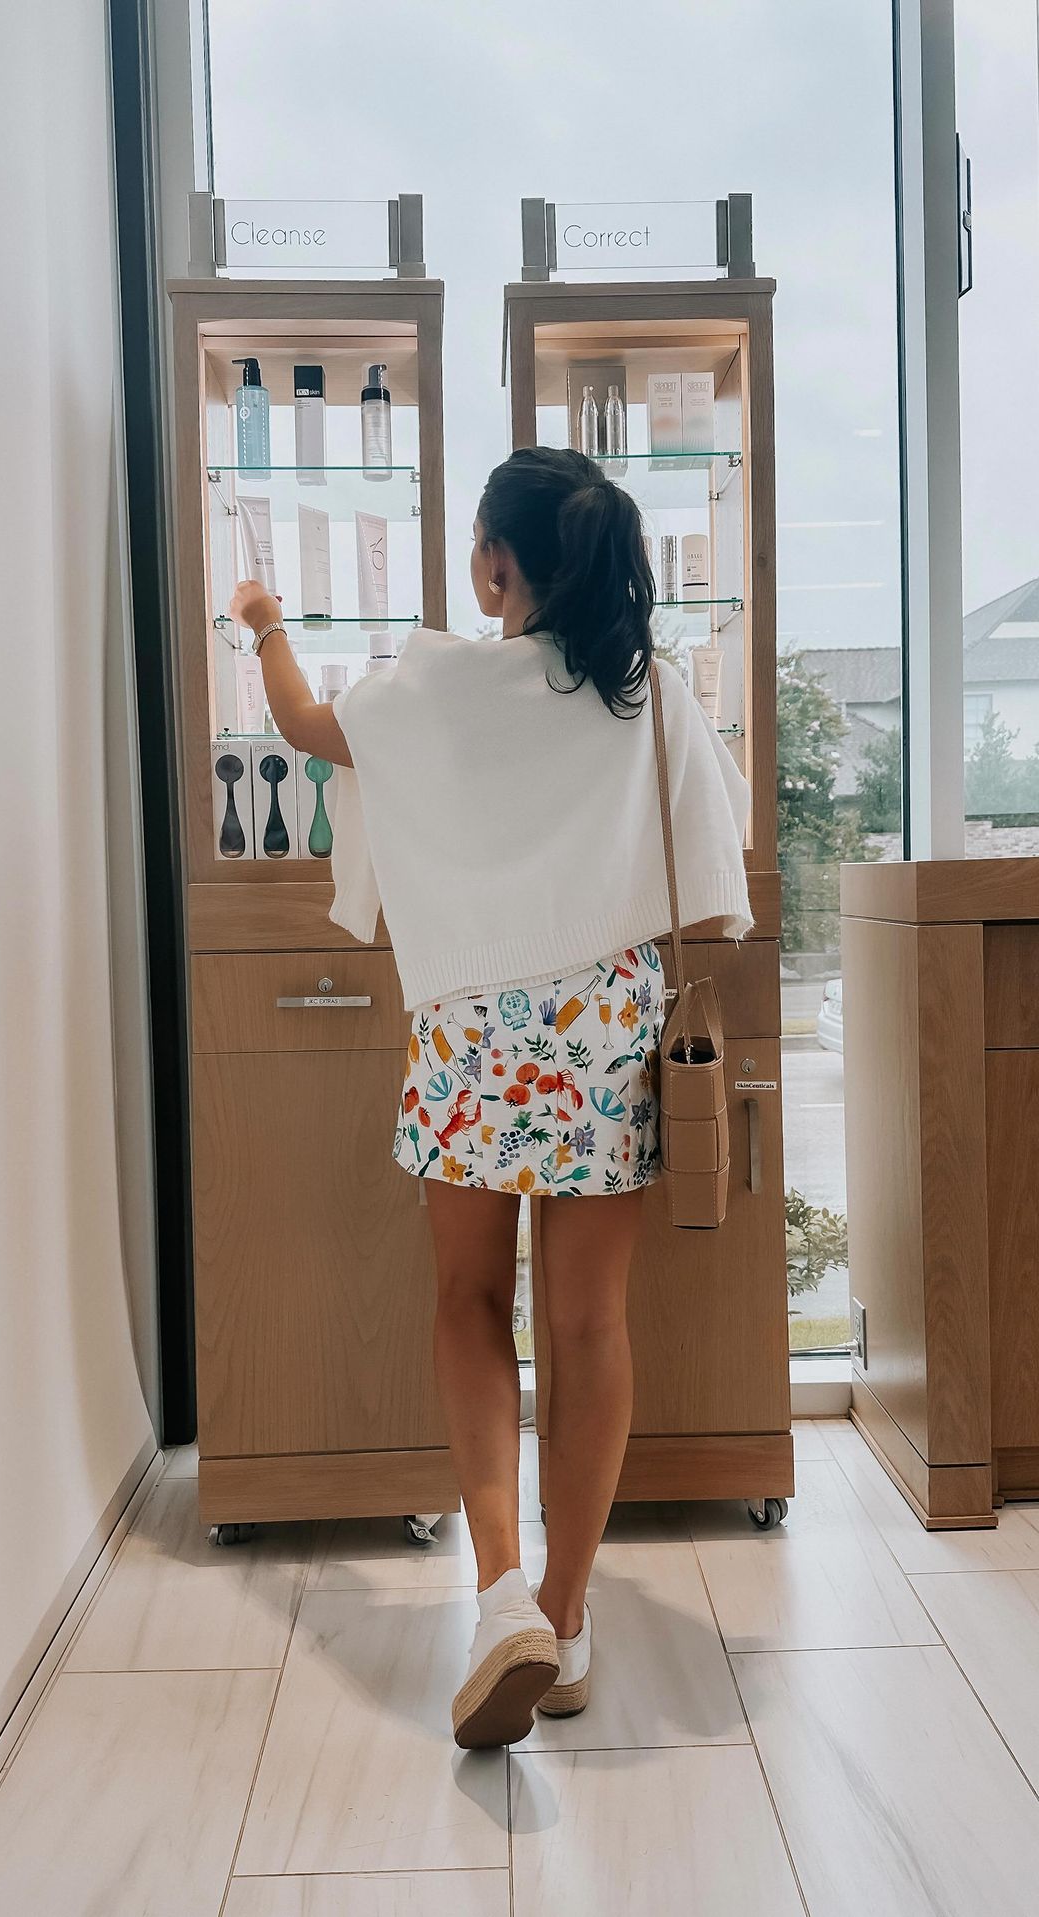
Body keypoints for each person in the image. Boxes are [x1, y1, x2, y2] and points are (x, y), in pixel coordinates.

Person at [229, 445, 752, 1751]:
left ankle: (501, 1593)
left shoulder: (436, 685)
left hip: (473, 1031)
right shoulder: (647, 690)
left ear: (498, 564)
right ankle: (566, 1621)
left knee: (469, 1301)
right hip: (604, 1030)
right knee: (591, 1322)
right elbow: (713, 868)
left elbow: (305, 730)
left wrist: (267, 620)